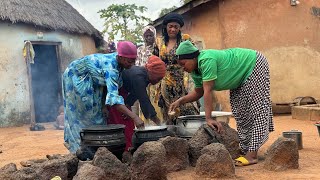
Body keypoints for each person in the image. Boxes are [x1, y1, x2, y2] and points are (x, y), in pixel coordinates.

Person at [169, 40, 274, 166]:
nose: (183, 68)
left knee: (256, 108)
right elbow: (198, 92)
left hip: (253, 63)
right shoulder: (195, 71)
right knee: (240, 111)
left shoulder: (206, 60)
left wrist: (209, 118)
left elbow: (208, 91)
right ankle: (246, 148)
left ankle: (252, 155)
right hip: (239, 76)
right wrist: (180, 101)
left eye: (183, 64)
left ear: (192, 57)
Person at [63, 41, 144, 153]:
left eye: (133, 61)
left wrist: (103, 106)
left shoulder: (118, 64)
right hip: (77, 76)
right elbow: (115, 101)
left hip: (93, 81)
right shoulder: (111, 69)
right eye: (130, 61)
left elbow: (106, 85)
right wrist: (134, 117)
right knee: (84, 113)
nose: (132, 64)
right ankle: (78, 149)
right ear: (120, 57)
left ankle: (94, 150)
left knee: (99, 115)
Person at [156, 12, 200, 124]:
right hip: (166, 81)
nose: (173, 29)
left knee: (188, 107)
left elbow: (195, 56)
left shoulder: (185, 39)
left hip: (184, 78)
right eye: (170, 26)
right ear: (166, 27)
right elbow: (155, 60)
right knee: (170, 111)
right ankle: (174, 138)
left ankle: (192, 133)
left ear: (180, 28)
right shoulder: (159, 42)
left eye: (176, 27)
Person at [123, 55, 166, 125]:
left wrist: (128, 104)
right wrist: (159, 123)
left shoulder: (144, 76)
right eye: (158, 79)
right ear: (153, 73)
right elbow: (144, 100)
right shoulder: (139, 77)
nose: (157, 82)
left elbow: (136, 93)